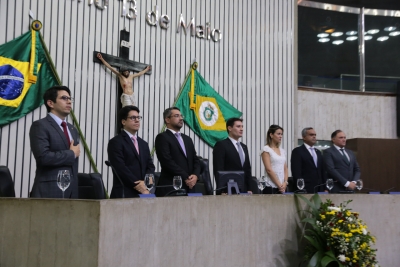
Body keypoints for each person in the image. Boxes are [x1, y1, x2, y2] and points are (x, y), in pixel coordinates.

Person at [29, 85, 80, 198]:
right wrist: (71, 154)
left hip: (72, 192)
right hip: (49, 190)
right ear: (50, 103)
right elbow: (43, 157)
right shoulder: (40, 125)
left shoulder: (72, 129)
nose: (69, 102)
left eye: (70, 98)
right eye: (64, 98)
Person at [107, 106, 155, 198]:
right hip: (125, 192)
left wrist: (146, 183)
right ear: (123, 121)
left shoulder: (143, 143)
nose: (137, 120)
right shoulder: (116, 142)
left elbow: (150, 166)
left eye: (138, 118)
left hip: (145, 191)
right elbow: (120, 168)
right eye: (133, 118)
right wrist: (138, 185)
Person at [154, 107, 200, 196]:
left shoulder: (187, 139)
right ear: (167, 119)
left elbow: (195, 160)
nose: (181, 118)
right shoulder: (162, 137)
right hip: (171, 186)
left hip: (190, 186)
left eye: (181, 116)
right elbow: (167, 161)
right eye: (176, 116)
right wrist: (186, 177)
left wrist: (195, 176)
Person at [213, 118, 254, 194]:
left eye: (242, 126)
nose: (241, 129)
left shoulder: (244, 147)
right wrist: (221, 189)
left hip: (243, 189)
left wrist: (250, 188)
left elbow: (247, 169)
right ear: (229, 128)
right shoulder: (221, 145)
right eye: (238, 126)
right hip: (227, 189)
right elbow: (218, 169)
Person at [291, 127, 326, 193]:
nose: (314, 137)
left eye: (315, 135)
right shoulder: (298, 151)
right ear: (304, 137)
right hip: (305, 188)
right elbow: (296, 172)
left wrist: (325, 187)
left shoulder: (318, 152)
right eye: (311, 135)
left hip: (320, 188)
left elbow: (322, 170)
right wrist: (301, 188)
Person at [261, 125, 289, 194]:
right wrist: (279, 185)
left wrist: (285, 182)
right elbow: (269, 170)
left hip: (283, 186)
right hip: (271, 186)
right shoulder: (266, 149)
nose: (281, 136)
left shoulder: (282, 151)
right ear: (271, 135)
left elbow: (285, 168)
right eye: (278, 134)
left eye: (281, 134)